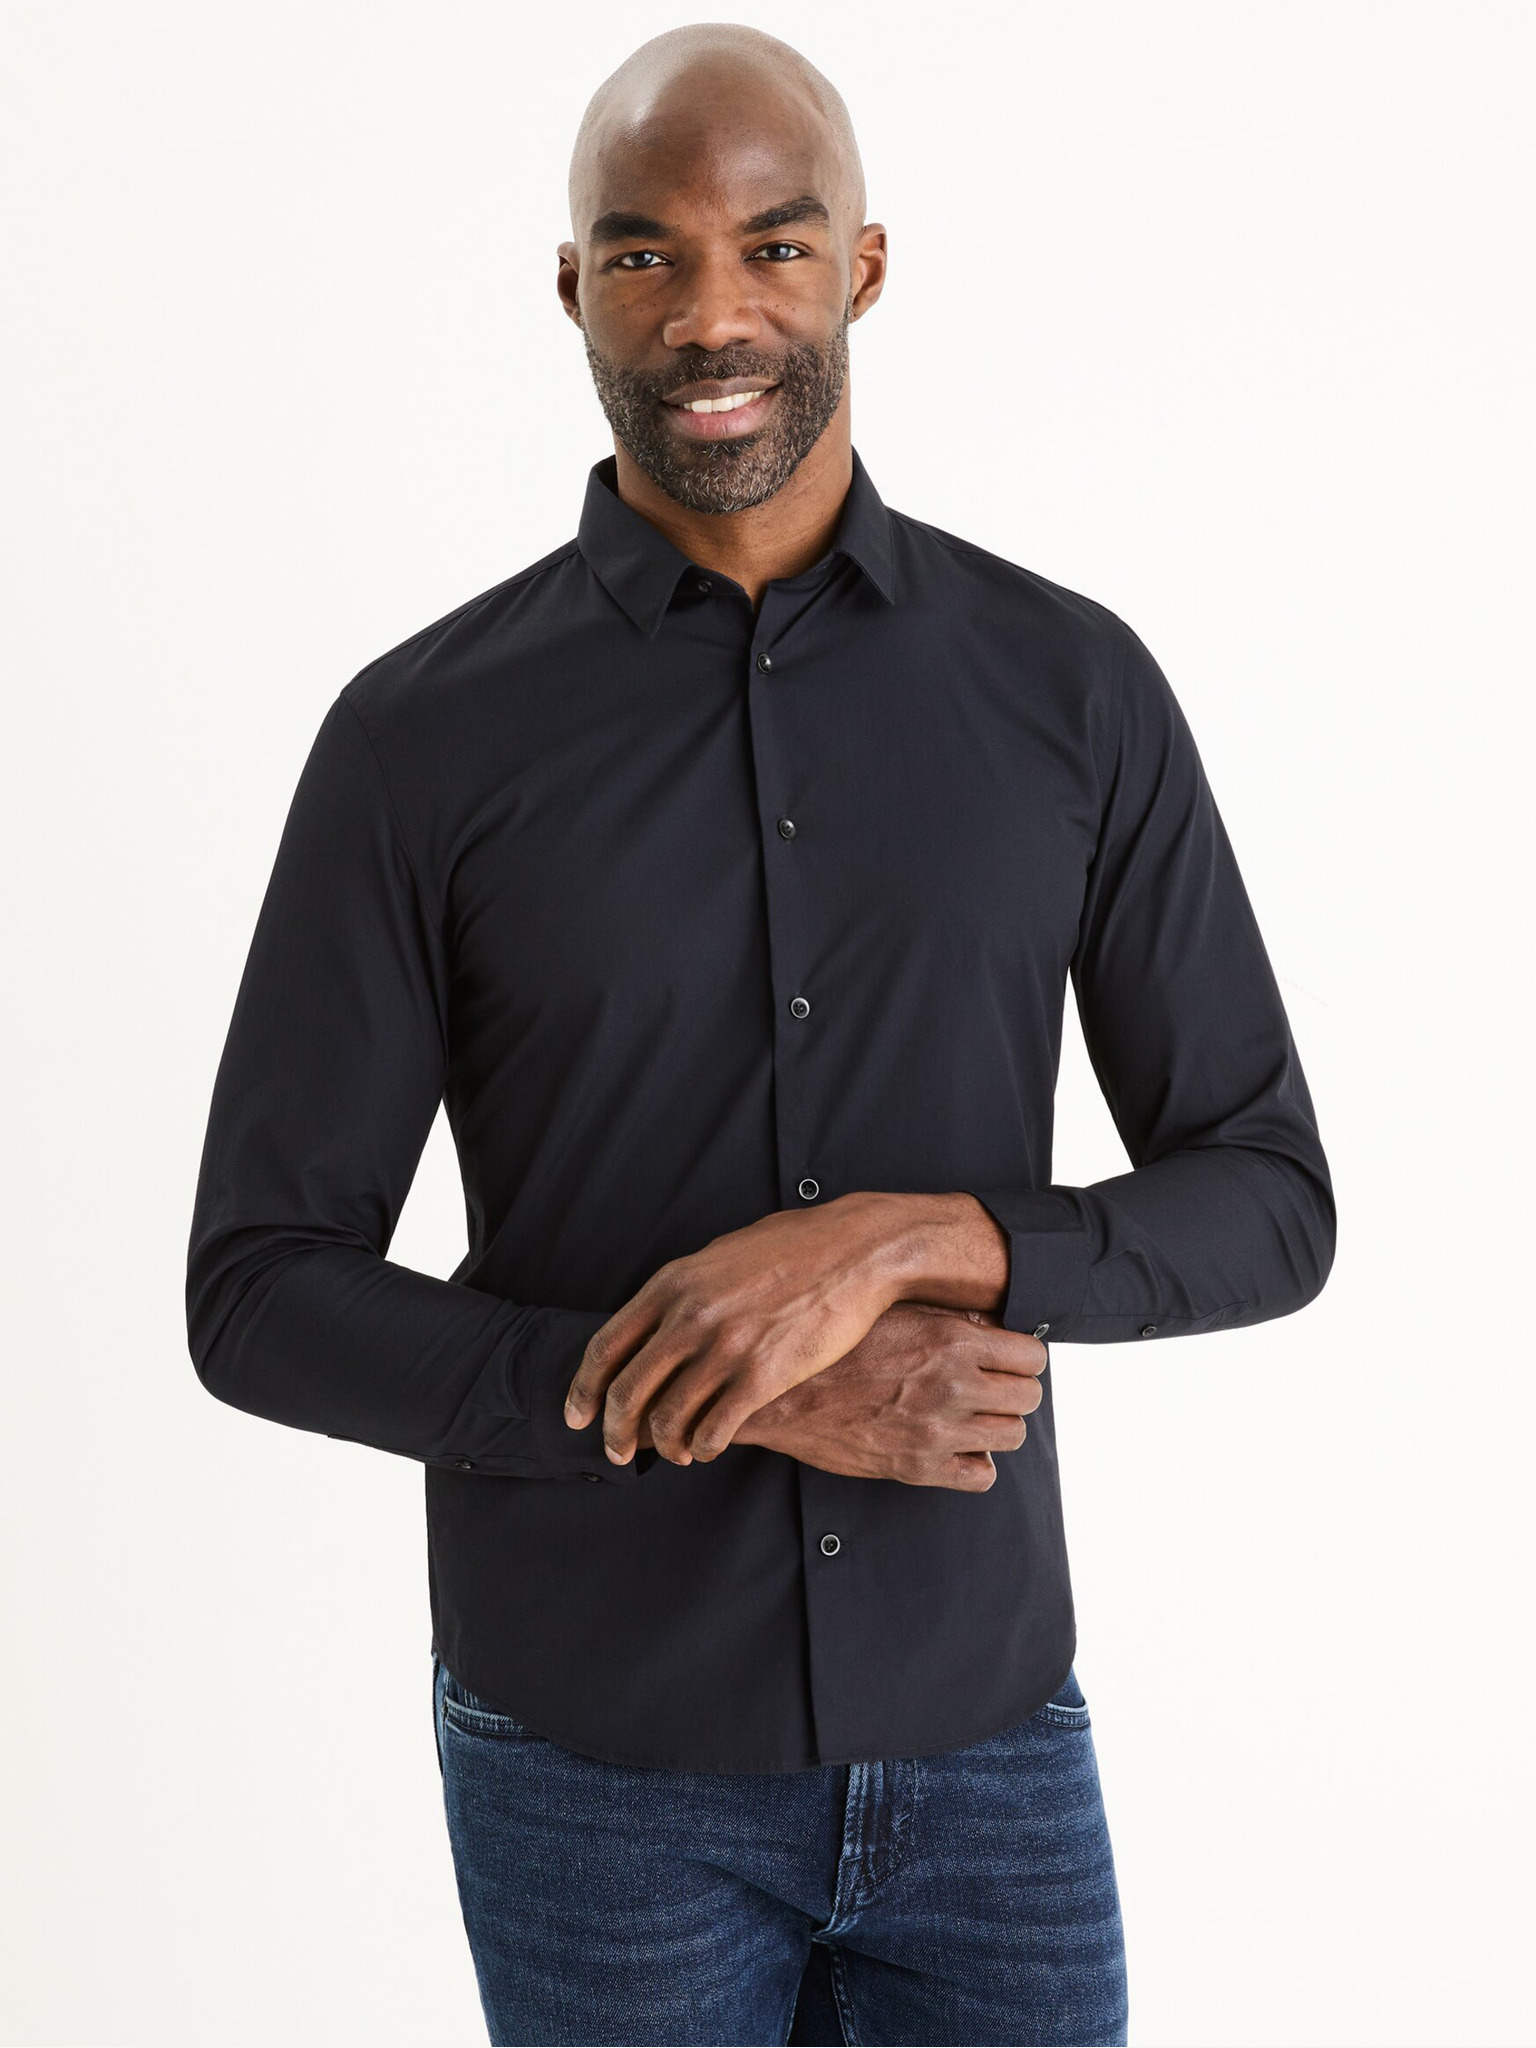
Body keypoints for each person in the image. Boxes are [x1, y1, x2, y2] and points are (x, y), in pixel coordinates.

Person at [185, 22, 1335, 2047]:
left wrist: (905, 1242)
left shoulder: (1074, 692)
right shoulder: (416, 741)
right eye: (644, 254)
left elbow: (1268, 1200)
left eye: (774, 247)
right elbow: (260, 1292)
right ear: (571, 288)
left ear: (863, 267)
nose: (710, 315)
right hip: (593, 1763)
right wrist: (726, 1392)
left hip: (990, 1738)